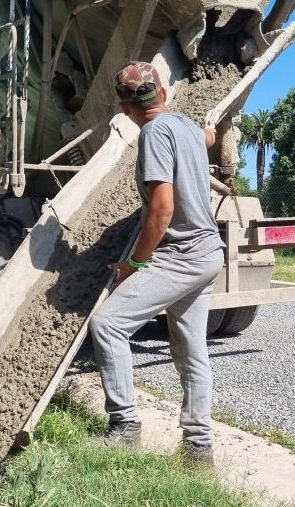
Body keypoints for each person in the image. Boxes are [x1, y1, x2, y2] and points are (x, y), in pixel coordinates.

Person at [88, 61, 224, 465]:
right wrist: (212, 135)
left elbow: (161, 209)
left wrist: (135, 263)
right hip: (209, 253)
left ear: (123, 107)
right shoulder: (183, 125)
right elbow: (206, 136)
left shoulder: (153, 134)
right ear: (162, 93)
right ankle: (198, 448)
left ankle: (125, 426)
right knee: (190, 347)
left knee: (108, 324)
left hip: (181, 254)